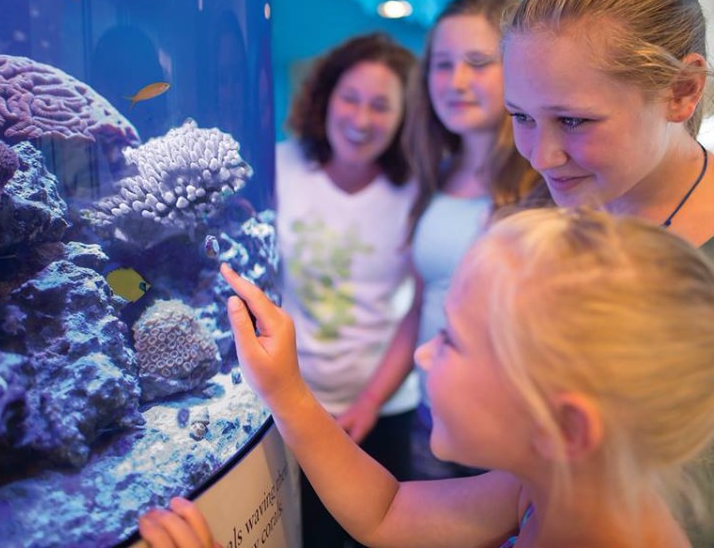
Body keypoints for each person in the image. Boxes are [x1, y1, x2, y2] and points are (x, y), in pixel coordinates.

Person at [140, 207, 714, 547]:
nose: (422, 355)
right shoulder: (550, 490)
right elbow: (387, 513)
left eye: (452, 340)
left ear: (564, 425)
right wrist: (286, 391)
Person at [274, 32, 419, 547]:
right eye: (351, 98)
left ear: (406, 115)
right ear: (326, 96)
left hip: (383, 411)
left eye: (381, 106)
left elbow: (418, 311)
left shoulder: (417, 191)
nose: (361, 120)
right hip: (288, 408)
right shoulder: (281, 167)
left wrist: (371, 401)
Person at [400, 0, 541, 480]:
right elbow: (419, 305)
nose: (456, 81)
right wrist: (369, 402)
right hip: (431, 423)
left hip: (512, 440)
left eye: (478, 62)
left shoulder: (548, 180)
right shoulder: (434, 172)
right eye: (442, 64)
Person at [503, 0, 714, 252]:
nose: (541, 159)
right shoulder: (534, 216)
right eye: (522, 117)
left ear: (681, 90)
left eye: (572, 120)